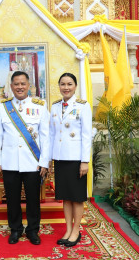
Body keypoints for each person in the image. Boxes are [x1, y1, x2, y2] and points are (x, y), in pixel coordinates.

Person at [0, 71, 50, 245]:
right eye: (16, 84)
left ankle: (33, 230)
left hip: (33, 162)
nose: (19, 87)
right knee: (12, 199)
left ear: (29, 85)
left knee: (33, 199)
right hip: (10, 162)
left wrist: (44, 162)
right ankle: (15, 229)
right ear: (11, 86)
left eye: (23, 84)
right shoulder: (3, 106)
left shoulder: (39, 105)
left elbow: (46, 136)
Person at [49, 72, 92, 247]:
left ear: (75, 86)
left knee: (76, 197)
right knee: (65, 197)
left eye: (69, 84)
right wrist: (50, 160)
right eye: (63, 84)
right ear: (59, 86)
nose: (66, 87)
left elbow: (86, 135)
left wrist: (84, 161)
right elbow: (52, 135)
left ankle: (76, 231)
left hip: (75, 159)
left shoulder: (83, 106)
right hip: (60, 158)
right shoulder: (55, 106)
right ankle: (67, 229)